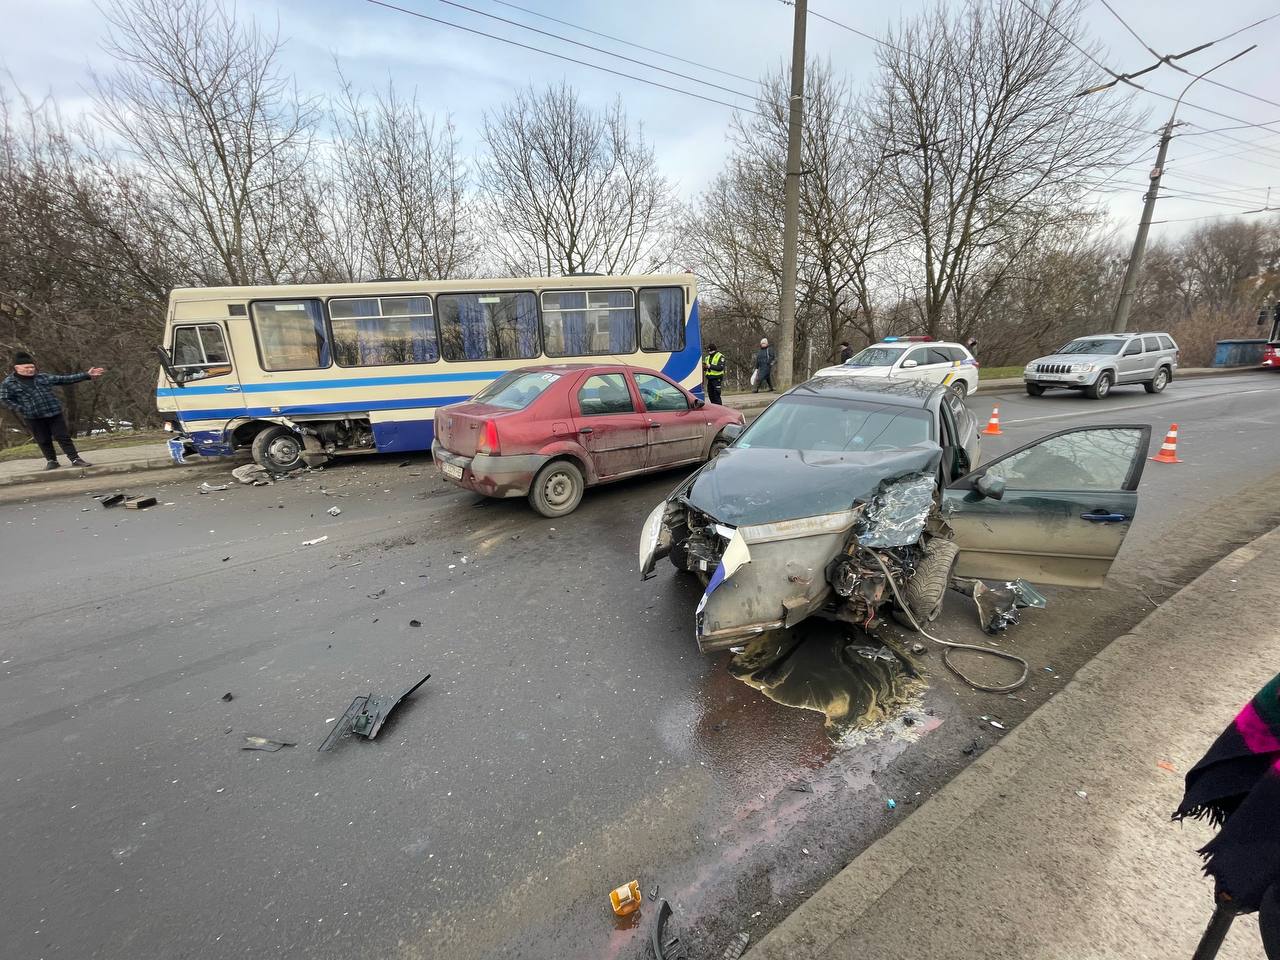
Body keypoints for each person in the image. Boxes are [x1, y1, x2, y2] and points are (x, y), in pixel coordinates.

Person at [0, 351, 105, 469]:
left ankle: (75, 459)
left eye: (32, 367)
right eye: (27, 367)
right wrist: (20, 408)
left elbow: (64, 379)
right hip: (32, 416)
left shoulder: (42, 377)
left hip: (53, 413)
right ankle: (52, 461)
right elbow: (4, 399)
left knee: (63, 436)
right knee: (43, 439)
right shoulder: (8, 383)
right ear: (17, 368)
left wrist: (86, 375)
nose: (30, 369)